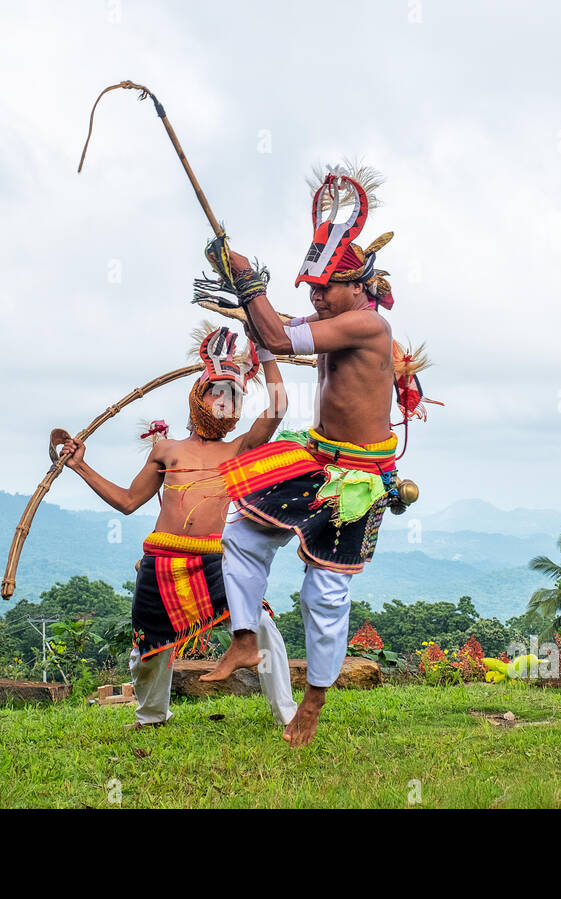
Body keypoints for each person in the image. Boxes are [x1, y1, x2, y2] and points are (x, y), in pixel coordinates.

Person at [198, 169, 408, 748]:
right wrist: (234, 276)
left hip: (359, 477)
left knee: (325, 591)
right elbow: (275, 331)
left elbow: (282, 337)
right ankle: (244, 636)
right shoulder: (332, 320)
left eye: (325, 290)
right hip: (317, 460)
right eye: (312, 289)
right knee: (242, 533)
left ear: (359, 287)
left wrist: (248, 282)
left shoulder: (368, 324)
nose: (315, 298)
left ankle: (312, 704)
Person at [59, 326, 296, 729]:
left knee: (263, 629)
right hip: (164, 560)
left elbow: (277, 410)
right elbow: (128, 501)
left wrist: (268, 353)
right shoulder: (165, 449)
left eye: (233, 396)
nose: (225, 402)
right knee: (150, 648)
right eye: (217, 392)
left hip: (220, 560)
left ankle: (286, 715)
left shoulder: (239, 449)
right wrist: (80, 464)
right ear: (198, 395)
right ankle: (152, 716)